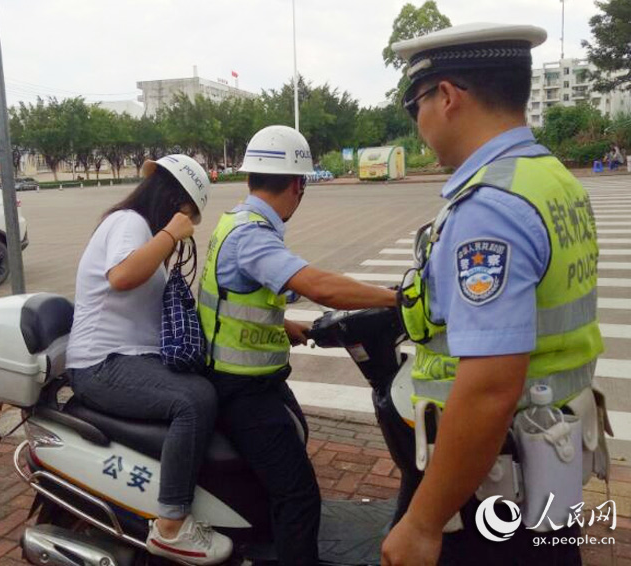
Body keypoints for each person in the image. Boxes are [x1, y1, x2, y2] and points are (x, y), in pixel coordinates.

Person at [381, 23, 605, 565]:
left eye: (417, 104)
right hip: (549, 467)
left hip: (494, 495)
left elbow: (487, 389)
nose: (419, 122)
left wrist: (423, 522)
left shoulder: (489, 208)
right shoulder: (551, 178)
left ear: (448, 97)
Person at [197, 125, 397, 565]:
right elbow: (319, 285)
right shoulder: (252, 234)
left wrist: (284, 323)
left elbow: (241, 292)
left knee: (287, 459)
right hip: (243, 389)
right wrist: (397, 298)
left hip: (250, 378)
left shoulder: (236, 220)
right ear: (297, 184)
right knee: (300, 496)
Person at [66, 154, 233, 565]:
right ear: (175, 202)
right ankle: (171, 526)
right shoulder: (130, 223)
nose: (190, 224)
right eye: (189, 215)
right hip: (100, 363)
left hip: (129, 357)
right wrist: (171, 234)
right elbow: (121, 276)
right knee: (192, 400)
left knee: (211, 384)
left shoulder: (142, 230)